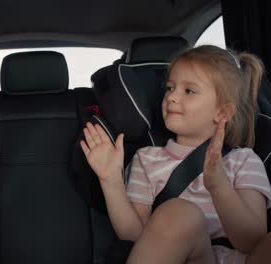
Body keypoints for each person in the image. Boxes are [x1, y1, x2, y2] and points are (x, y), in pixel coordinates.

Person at [80, 45, 271, 263]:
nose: (171, 97)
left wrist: (219, 185)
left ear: (222, 112)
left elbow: (252, 241)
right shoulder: (147, 159)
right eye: (170, 88)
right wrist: (111, 180)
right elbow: (136, 237)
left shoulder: (244, 161)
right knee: (181, 213)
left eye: (189, 91)